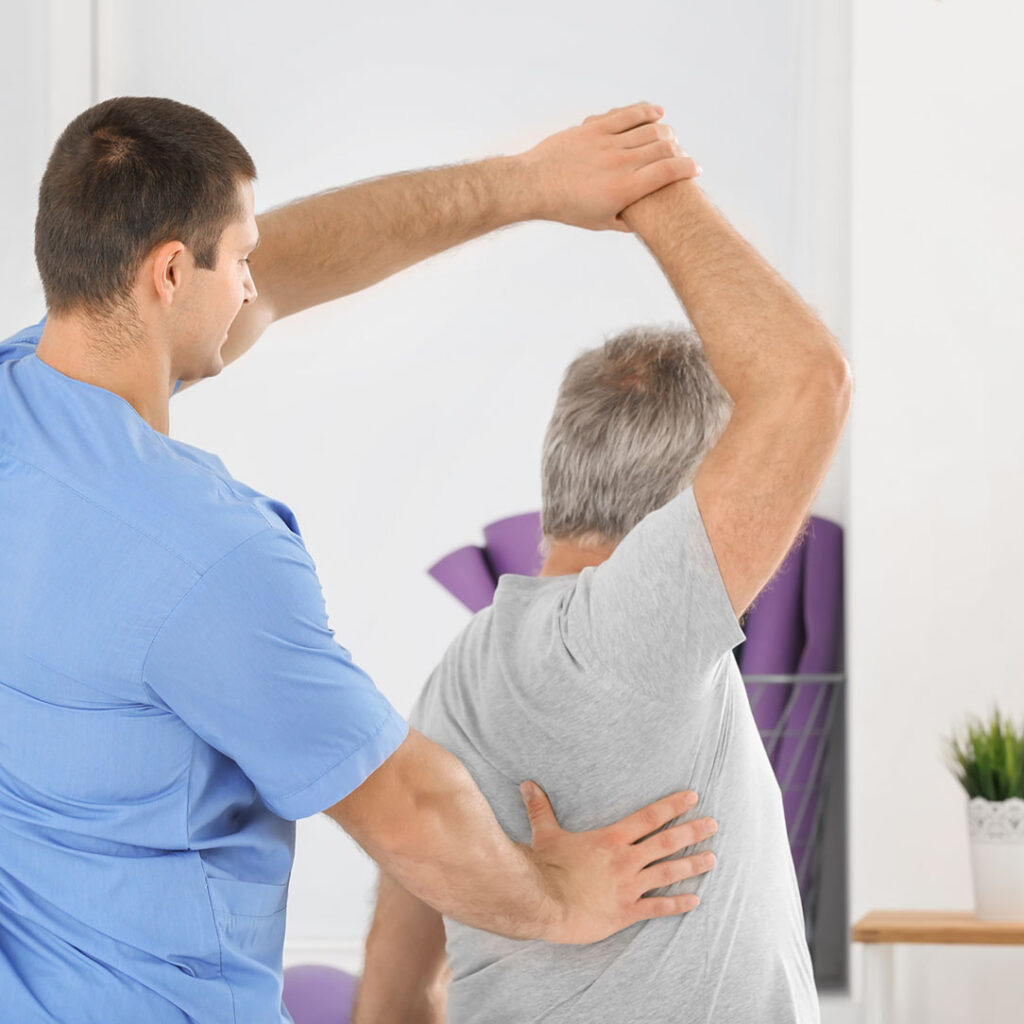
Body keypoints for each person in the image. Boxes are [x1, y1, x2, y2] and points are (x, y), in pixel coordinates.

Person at [0, 97, 717, 1023]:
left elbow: (288, 266)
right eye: (240, 259)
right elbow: (407, 807)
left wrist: (530, 183)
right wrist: (558, 898)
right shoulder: (208, 555)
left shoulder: (22, 407)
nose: (253, 287)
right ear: (170, 271)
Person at [354, 168, 852, 1023]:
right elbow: (810, 382)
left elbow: (393, 990)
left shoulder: (461, 671)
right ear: (689, 504)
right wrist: (653, 185)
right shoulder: (636, 627)